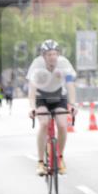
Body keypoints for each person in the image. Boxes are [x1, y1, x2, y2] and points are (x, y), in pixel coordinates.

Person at [27, 40, 77, 176]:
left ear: (58, 54)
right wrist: (32, 107)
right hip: (41, 97)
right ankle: (40, 162)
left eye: (55, 54)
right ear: (43, 56)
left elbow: (70, 85)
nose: (52, 57)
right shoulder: (37, 65)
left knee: (62, 125)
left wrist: (73, 104)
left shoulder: (64, 64)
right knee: (43, 123)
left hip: (59, 96)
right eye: (49, 54)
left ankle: (60, 157)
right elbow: (32, 89)